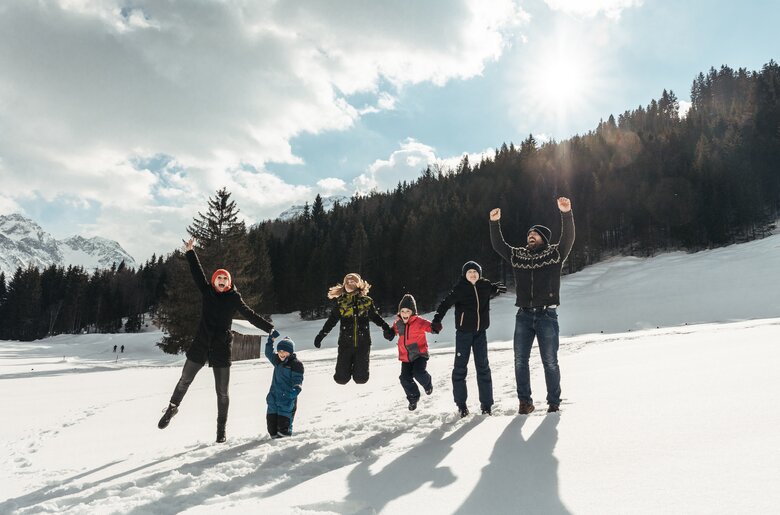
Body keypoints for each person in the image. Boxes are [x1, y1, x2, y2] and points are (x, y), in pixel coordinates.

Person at [157, 237, 275, 443]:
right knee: (185, 380)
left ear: (229, 283)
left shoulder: (233, 298)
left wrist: (269, 327)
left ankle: (221, 430)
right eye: (218, 279)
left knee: (222, 392)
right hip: (200, 344)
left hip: (221, 348)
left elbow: (249, 314)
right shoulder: (207, 291)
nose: (221, 282)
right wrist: (190, 251)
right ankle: (172, 408)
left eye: (225, 280)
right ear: (214, 281)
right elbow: (197, 272)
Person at [489, 197, 575, 414]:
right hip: (524, 316)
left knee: (550, 361)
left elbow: (568, 239)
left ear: (543, 238)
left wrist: (566, 213)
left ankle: (553, 403)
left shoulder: (554, 254)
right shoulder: (519, 255)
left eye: (534, 234)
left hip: (547, 315)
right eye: (528, 234)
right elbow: (499, 246)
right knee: (520, 361)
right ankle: (524, 403)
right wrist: (494, 223)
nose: (530, 236)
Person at [431, 261, 506, 418]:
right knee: (460, 369)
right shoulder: (460, 288)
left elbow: (491, 290)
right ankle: (461, 405)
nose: (472, 274)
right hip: (463, 334)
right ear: (465, 274)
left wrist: (495, 289)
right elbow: (445, 303)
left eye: (475, 272)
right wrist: (437, 319)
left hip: (480, 334)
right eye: (469, 272)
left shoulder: (485, 285)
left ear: (479, 273)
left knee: (483, 368)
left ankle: (486, 405)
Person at [314, 273, 393, 384]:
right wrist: (321, 335)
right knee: (341, 379)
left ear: (358, 284)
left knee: (361, 379)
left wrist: (386, 328)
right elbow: (331, 321)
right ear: (344, 285)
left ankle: (358, 369)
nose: (349, 284)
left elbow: (375, 317)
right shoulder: (341, 302)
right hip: (345, 344)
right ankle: (346, 369)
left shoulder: (366, 301)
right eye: (347, 282)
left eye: (352, 282)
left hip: (363, 344)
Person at [387, 294, 434, 411]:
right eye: (402, 311)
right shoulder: (398, 323)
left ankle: (427, 383)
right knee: (404, 378)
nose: (404, 314)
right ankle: (413, 398)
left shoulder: (419, 322)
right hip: (405, 357)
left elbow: (430, 327)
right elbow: (393, 331)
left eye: (407, 311)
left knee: (418, 373)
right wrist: (389, 333)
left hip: (419, 355)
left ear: (413, 312)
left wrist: (435, 327)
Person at [264, 331, 304, 438]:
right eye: (279, 351)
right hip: (273, 398)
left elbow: (298, 380)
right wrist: (270, 340)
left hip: (286, 399)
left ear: (290, 352)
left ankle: (284, 446)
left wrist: (295, 390)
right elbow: (268, 353)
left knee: (283, 431)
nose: (281, 354)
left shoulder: (295, 364)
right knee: (272, 430)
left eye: (284, 352)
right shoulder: (277, 361)